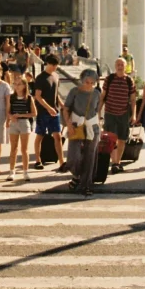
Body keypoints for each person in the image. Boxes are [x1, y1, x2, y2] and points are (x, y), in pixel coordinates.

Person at [62, 68, 102, 197]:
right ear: (82, 80)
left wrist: (101, 124)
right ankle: (77, 176)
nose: (89, 85)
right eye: (87, 82)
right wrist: (68, 124)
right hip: (76, 125)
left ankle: (86, 185)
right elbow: (66, 108)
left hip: (92, 126)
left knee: (90, 157)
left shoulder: (96, 93)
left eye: (92, 82)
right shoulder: (75, 91)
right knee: (74, 157)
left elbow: (98, 110)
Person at [100, 57, 137, 173]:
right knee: (111, 139)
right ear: (115, 66)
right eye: (118, 64)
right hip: (110, 112)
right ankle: (114, 161)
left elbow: (133, 99)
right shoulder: (109, 79)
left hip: (123, 113)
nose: (120, 66)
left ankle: (117, 162)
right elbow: (102, 97)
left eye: (122, 64)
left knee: (122, 139)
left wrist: (134, 115)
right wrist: (98, 112)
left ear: (125, 66)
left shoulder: (129, 81)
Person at [33, 54, 67, 173]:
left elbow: (56, 94)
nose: (54, 67)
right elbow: (38, 96)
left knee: (57, 136)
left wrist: (63, 106)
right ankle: (38, 160)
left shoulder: (56, 76)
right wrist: (48, 108)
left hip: (54, 111)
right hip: (43, 112)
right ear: (47, 63)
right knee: (40, 135)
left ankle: (62, 162)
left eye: (56, 65)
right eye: (52, 65)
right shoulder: (40, 78)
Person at [7, 69, 36, 182]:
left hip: (24, 123)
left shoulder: (29, 98)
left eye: (19, 84)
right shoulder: (11, 97)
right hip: (14, 123)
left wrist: (21, 115)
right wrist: (11, 117)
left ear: (24, 85)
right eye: (15, 84)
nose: (17, 86)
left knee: (24, 149)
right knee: (13, 148)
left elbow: (34, 113)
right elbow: (8, 111)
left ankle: (25, 172)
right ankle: (11, 171)